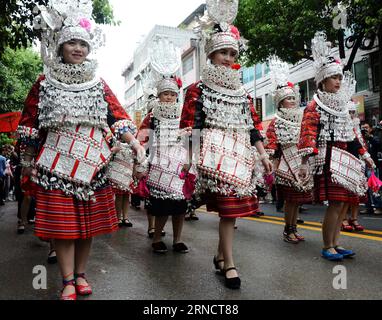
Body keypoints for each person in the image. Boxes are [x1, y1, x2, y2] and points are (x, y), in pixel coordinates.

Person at [17, 1, 145, 300]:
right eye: (72, 42)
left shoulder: (98, 84)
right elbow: (29, 124)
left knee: (86, 227)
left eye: (83, 44)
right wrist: (26, 160)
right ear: (60, 46)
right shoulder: (43, 82)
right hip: (54, 166)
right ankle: (67, 280)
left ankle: (81, 274)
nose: (78, 49)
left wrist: (135, 143)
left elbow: (118, 117)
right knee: (64, 228)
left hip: (93, 167)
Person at [180, 1, 272, 289]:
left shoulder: (242, 91)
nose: (228, 57)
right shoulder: (198, 89)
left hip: (241, 154)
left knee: (233, 211)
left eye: (232, 53)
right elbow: (191, 125)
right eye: (223, 52)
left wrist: (263, 154)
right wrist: (190, 157)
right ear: (211, 54)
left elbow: (252, 126)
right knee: (229, 209)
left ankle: (221, 255)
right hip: (215, 154)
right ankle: (229, 263)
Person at [298, 32, 374, 261]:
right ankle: (327, 245)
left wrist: (365, 154)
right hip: (328, 157)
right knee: (336, 203)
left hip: (346, 156)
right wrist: (304, 162)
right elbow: (308, 133)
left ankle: (336, 243)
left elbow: (352, 133)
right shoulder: (315, 105)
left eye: (340, 78)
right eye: (334, 78)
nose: (338, 82)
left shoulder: (343, 104)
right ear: (323, 81)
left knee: (343, 204)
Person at [137, 38, 189, 254]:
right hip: (159, 165)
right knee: (162, 208)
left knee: (180, 208)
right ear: (158, 96)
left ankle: (177, 240)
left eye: (172, 94)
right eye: (165, 94)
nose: (169, 97)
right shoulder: (152, 116)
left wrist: (190, 160)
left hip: (179, 166)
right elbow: (142, 140)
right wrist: (141, 162)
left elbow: (191, 137)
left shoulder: (183, 113)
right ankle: (157, 237)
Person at [265, 56, 312, 244]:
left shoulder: (302, 118)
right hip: (285, 162)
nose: (292, 101)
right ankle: (287, 230)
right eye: (288, 99)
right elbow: (272, 145)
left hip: (299, 161)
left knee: (297, 200)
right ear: (280, 103)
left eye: (293, 98)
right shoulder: (276, 122)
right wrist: (272, 165)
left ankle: (294, 228)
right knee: (289, 200)